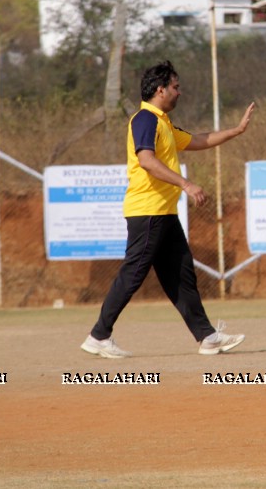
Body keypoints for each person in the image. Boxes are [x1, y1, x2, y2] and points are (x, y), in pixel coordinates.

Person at [81, 60, 256, 358]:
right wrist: (186, 184)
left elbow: (199, 140)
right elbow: (146, 160)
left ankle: (207, 336)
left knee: (180, 274)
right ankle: (99, 335)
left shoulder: (162, 121)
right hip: (147, 211)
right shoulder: (145, 119)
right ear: (160, 89)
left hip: (163, 213)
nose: (179, 91)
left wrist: (236, 131)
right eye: (175, 87)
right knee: (133, 273)